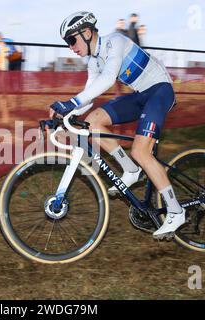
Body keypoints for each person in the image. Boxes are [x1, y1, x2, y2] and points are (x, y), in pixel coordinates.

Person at [51, 11, 183, 240]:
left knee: (141, 151)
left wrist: (70, 103)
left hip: (160, 90)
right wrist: (68, 114)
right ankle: (131, 169)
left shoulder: (115, 41)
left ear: (87, 32)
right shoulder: (93, 61)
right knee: (92, 122)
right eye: (67, 43)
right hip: (140, 95)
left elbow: (109, 78)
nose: (71, 47)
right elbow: (89, 96)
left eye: (72, 40)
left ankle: (175, 210)